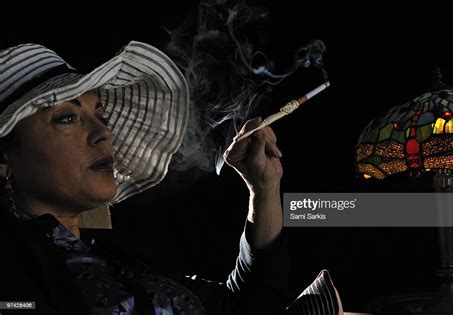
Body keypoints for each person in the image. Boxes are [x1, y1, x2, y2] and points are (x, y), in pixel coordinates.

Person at [0, 41, 341, 315]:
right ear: (6, 155)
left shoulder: (121, 260)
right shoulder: (14, 277)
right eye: (66, 118)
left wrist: (262, 188)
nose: (103, 132)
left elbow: (248, 306)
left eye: (100, 114)